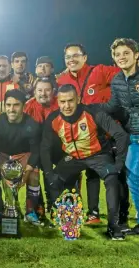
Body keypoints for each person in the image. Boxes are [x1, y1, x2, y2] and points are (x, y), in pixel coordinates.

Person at [41, 84, 129, 240]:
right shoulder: (53, 119)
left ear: (79, 99)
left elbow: (121, 135)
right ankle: (67, 222)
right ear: (58, 102)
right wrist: (48, 172)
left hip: (98, 155)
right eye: (62, 102)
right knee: (54, 180)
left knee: (112, 179)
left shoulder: (94, 113)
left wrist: (118, 165)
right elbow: (45, 148)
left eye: (70, 101)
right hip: (73, 157)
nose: (66, 106)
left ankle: (113, 226)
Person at [57, 43, 122, 224]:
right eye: (68, 57)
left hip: (103, 134)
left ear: (85, 57)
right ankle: (75, 214)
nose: (72, 60)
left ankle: (99, 214)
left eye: (76, 55)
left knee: (102, 173)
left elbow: (125, 74)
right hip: (76, 135)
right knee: (75, 173)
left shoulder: (99, 71)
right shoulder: (62, 80)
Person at [0, 89, 42, 226]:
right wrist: (1, 171)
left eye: (16, 105)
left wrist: (26, 172)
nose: (11, 109)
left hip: (23, 155)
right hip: (2, 156)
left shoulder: (32, 125)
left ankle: (30, 212)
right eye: (8, 105)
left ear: (23, 106)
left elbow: (35, 151)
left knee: (34, 176)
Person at [100, 38, 139, 235]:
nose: (121, 57)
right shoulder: (116, 80)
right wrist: (91, 110)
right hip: (132, 135)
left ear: (136, 55)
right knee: (133, 178)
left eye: (126, 53)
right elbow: (114, 107)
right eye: (117, 54)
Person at [24, 78, 59, 213]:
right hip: (36, 149)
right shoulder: (28, 106)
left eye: (47, 90)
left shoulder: (60, 104)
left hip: (57, 149)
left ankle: (56, 206)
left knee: (55, 176)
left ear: (53, 92)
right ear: (34, 92)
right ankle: (37, 207)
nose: (43, 93)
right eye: (39, 90)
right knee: (34, 174)